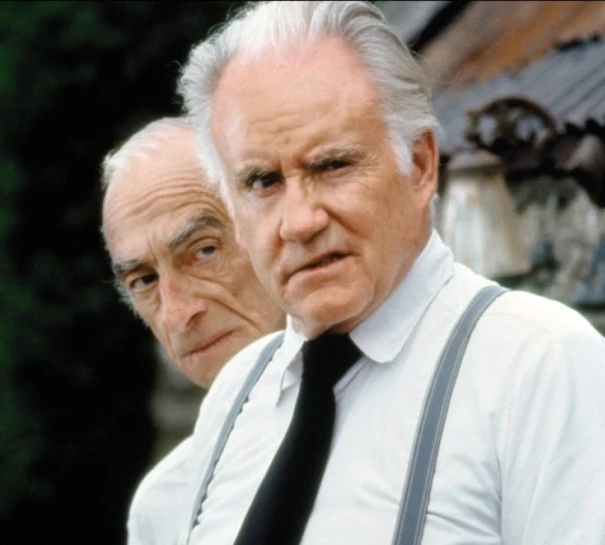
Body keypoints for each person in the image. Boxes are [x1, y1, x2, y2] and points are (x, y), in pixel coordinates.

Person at [174, 2, 605, 544]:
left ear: (421, 165)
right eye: (262, 182)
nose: (300, 222)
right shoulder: (237, 395)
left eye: (333, 165)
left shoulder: (539, 364)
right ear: (232, 214)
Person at [99, 117, 285, 545]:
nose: (177, 315)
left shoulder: (413, 409)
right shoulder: (162, 506)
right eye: (144, 280)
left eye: (203, 251)